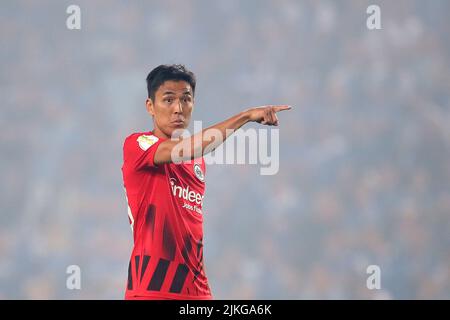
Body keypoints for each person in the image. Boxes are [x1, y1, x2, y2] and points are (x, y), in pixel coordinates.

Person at [121, 64, 291, 300]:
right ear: (150, 106)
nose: (178, 109)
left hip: (197, 292)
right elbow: (185, 148)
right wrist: (245, 116)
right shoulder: (137, 144)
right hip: (151, 290)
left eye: (186, 99)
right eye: (168, 100)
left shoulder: (198, 162)